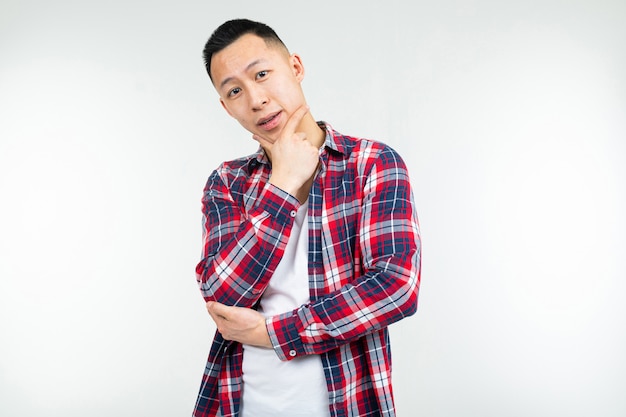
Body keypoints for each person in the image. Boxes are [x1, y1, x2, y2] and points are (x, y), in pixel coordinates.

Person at [193, 18, 421, 417]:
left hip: (349, 402)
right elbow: (223, 296)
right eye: (234, 91)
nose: (256, 99)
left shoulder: (371, 164)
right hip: (240, 403)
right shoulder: (227, 182)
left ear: (295, 67)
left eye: (262, 74)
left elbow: (395, 286)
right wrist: (282, 184)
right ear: (225, 106)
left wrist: (272, 333)